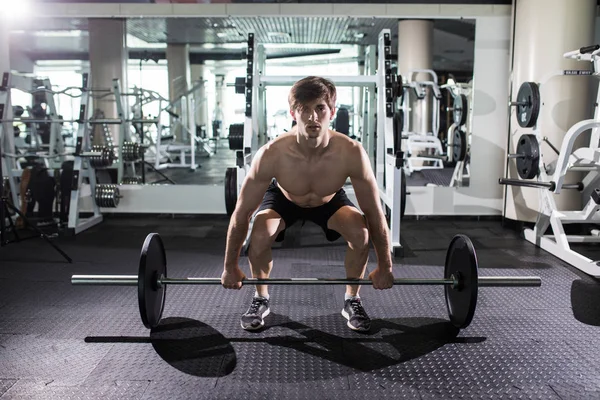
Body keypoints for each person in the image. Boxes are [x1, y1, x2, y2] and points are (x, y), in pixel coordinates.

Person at [221, 76, 394, 332]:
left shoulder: (351, 152)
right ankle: (260, 297)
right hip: (284, 197)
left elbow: (374, 212)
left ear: (332, 112)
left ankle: (352, 299)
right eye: (304, 109)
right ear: (293, 112)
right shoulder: (271, 154)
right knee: (259, 232)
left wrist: (385, 266)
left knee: (361, 232)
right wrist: (229, 267)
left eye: (320, 108)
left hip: (329, 198)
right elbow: (242, 213)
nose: (313, 117)